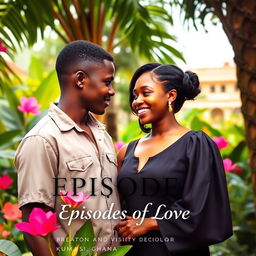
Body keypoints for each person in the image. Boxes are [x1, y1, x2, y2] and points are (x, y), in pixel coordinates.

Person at [15, 40, 121, 255]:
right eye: (107, 82)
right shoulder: (42, 140)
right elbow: (35, 227)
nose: (111, 91)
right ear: (81, 79)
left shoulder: (102, 134)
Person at [115, 63, 233, 255]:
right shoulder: (126, 152)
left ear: (171, 95)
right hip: (133, 251)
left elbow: (204, 210)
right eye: (135, 95)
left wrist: (151, 223)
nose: (137, 101)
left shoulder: (196, 145)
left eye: (146, 93)